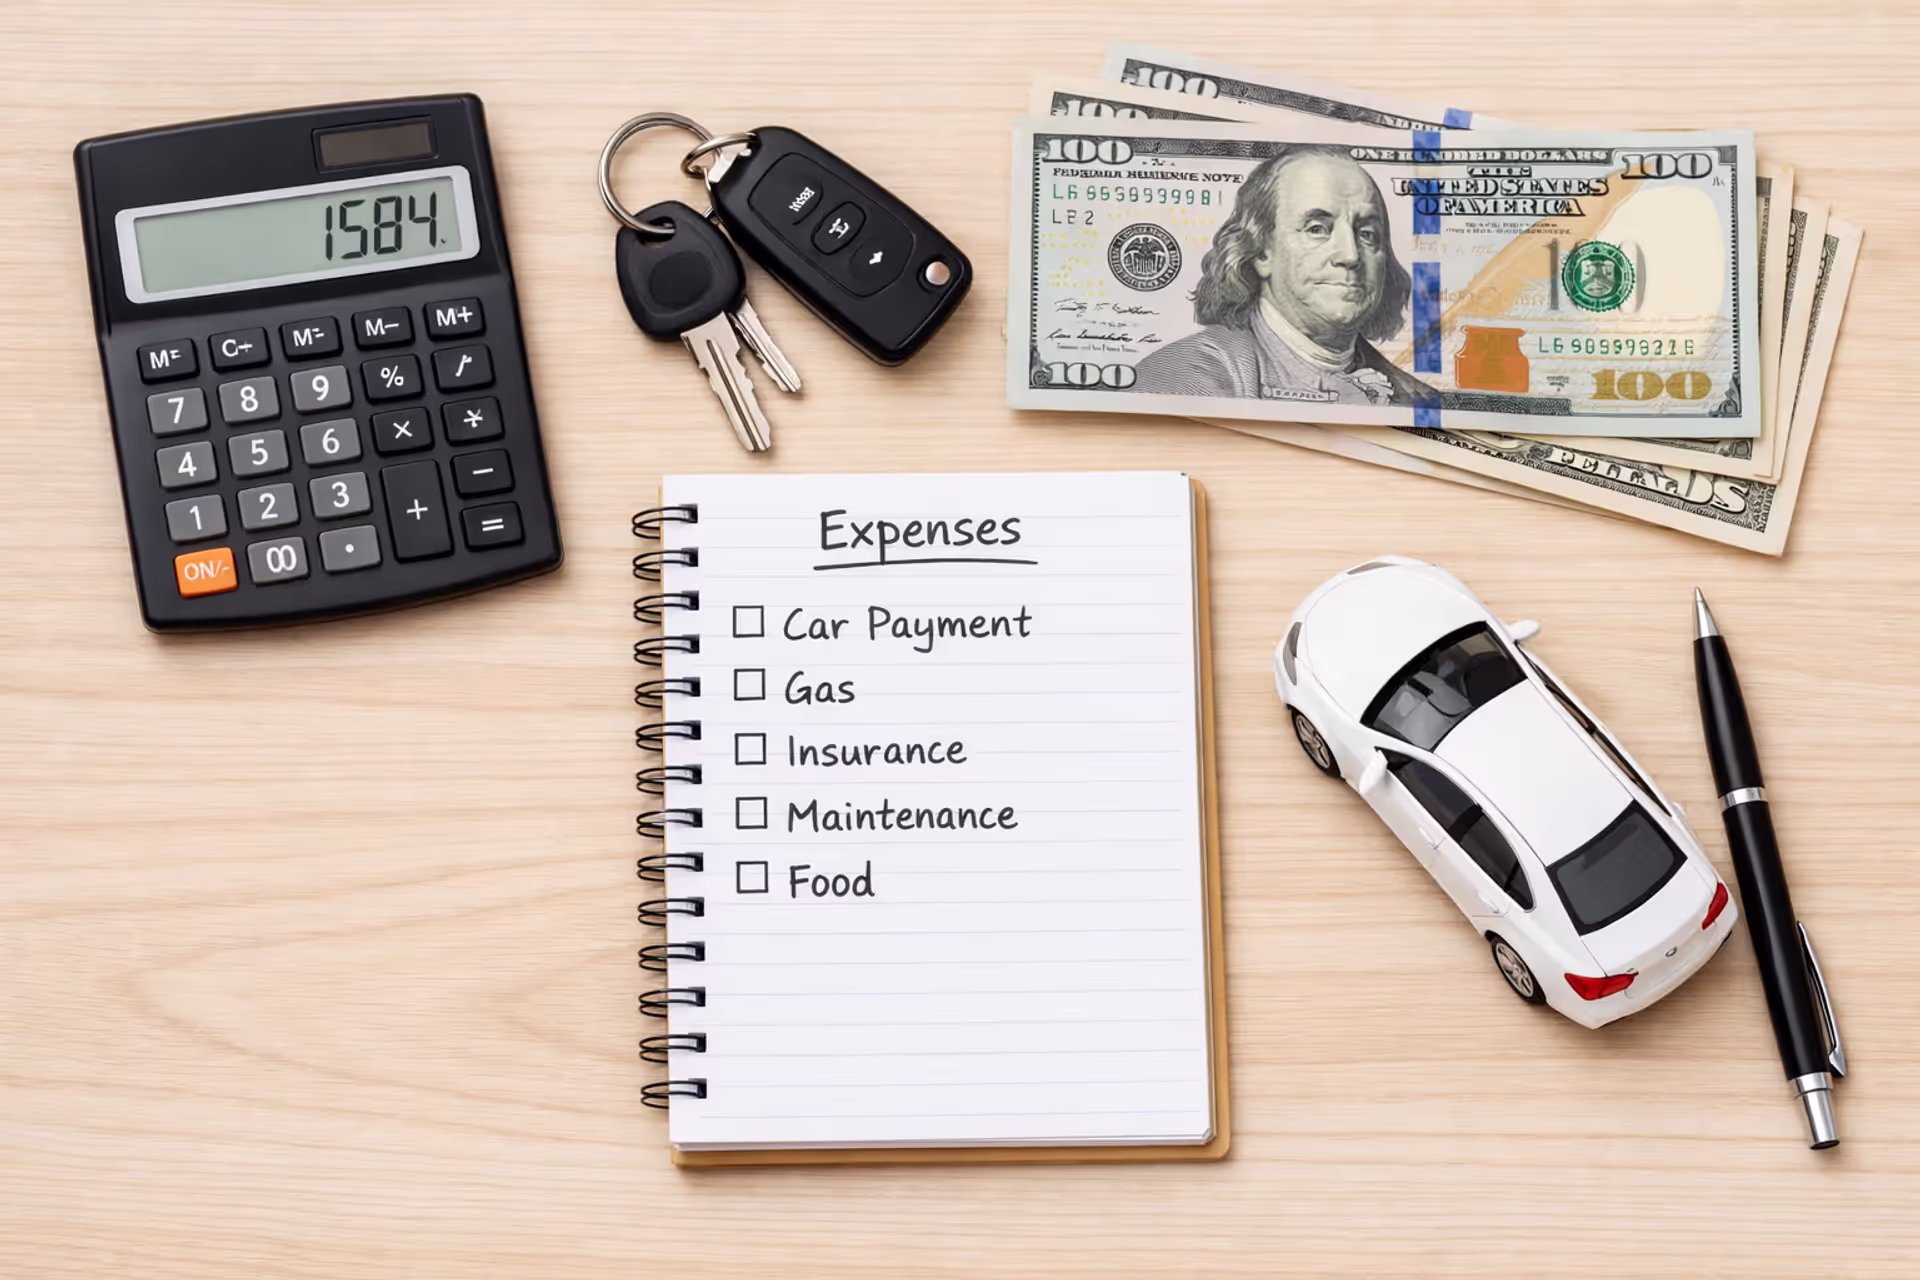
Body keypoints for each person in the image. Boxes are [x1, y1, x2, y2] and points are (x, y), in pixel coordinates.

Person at [1134, 145, 1434, 406]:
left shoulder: (1419, 399)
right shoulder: (1185, 375)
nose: (1351, 255)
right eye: (1317, 229)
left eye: (1367, 234)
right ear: (1261, 252)